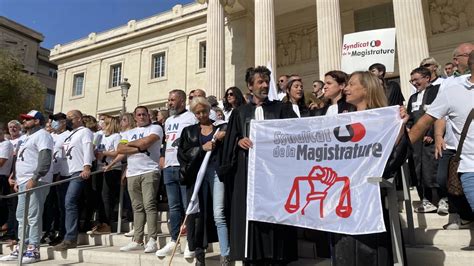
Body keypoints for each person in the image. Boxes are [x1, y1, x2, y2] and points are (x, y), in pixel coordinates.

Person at [219, 66, 298, 264]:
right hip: (248, 174)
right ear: (250, 86)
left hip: (275, 175)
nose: (264, 85)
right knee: (249, 216)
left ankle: (278, 256)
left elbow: (296, 134)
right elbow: (230, 142)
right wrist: (238, 142)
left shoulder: (282, 108)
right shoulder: (239, 112)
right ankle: (251, 257)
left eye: (266, 81)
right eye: (260, 82)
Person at [330, 71, 409, 266]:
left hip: (369, 197)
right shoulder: (343, 119)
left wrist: (399, 125)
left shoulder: (386, 118)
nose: (345, 88)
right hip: (342, 196)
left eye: (351, 84)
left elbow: (393, 155)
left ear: (366, 88)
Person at [409, 51, 474, 229]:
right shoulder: (452, 89)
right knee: (444, 180)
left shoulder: (443, 86)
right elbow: (429, 119)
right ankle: (464, 216)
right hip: (463, 158)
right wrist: (438, 136)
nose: (414, 83)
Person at [178, 96, 229, 265]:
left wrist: (225, 136)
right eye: (197, 113)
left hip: (216, 173)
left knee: (218, 213)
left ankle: (225, 254)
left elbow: (233, 138)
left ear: (210, 110)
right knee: (199, 215)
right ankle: (199, 254)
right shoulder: (189, 131)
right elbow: (183, 154)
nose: (201, 115)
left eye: (204, 111)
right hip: (197, 175)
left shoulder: (221, 128)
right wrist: (201, 148)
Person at [0, 110, 53, 263]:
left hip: (36, 181)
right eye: (23, 119)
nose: (23, 122)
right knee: (21, 216)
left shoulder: (43, 135)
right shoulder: (25, 137)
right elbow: (22, 159)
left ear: (37, 121)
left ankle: (33, 249)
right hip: (23, 181)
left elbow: (45, 158)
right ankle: (22, 246)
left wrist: (35, 177)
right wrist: (16, 178)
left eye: (28, 119)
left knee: (33, 215)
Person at [156, 89, 197, 257]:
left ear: (182, 101)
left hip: (183, 166)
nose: (170, 103)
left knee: (188, 206)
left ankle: (191, 244)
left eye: (173, 100)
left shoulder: (191, 117)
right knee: (173, 207)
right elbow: (167, 141)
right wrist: (163, 156)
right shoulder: (168, 121)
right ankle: (174, 241)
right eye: (169, 99)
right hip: (169, 167)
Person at [118, 106, 163, 253]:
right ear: (135, 117)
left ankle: (152, 239)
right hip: (132, 172)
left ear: (149, 116)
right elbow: (120, 149)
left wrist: (134, 145)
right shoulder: (129, 132)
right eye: (139, 114)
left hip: (149, 170)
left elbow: (146, 143)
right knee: (137, 207)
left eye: (144, 114)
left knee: (149, 204)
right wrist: (139, 147)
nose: (142, 116)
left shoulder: (155, 128)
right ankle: (137, 240)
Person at [53, 110, 94, 251]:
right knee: (65, 204)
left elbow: (88, 149)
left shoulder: (85, 132)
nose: (68, 120)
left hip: (78, 171)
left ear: (79, 119)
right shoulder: (70, 135)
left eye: (70, 118)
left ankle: (70, 238)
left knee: (70, 201)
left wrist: (87, 167)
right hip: (67, 173)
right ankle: (64, 234)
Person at [407, 67, 441, 213]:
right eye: (412, 80)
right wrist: (408, 129)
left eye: (417, 79)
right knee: (418, 169)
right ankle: (425, 200)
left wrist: (432, 133)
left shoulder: (436, 91)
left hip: (431, 139)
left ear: (427, 78)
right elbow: (410, 117)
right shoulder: (413, 98)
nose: (414, 83)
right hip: (416, 141)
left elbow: (440, 114)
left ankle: (441, 199)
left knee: (432, 168)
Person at [89, 116, 122, 235]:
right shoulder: (99, 136)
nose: (101, 123)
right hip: (99, 169)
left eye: (104, 121)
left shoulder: (116, 136)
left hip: (111, 169)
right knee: (98, 196)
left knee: (106, 196)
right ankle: (99, 222)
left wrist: (104, 153)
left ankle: (106, 223)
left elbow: (118, 152)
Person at [45, 113, 70, 246]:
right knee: (50, 206)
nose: (53, 123)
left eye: (56, 120)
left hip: (61, 174)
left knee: (61, 206)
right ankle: (49, 231)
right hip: (49, 174)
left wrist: (61, 171)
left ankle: (62, 232)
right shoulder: (50, 136)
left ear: (63, 122)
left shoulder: (68, 135)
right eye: (52, 120)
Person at [0, 124, 14, 241]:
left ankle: (5, 227)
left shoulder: (6, 144)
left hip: (2, 177)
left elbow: (1, 161)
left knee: (2, 204)